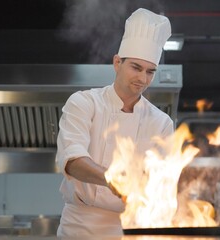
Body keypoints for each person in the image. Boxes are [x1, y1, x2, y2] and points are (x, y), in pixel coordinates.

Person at [55, 8, 173, 237]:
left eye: (150, 71)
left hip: (130, 228)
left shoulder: (161, 123)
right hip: (80, 227)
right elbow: (72, 161)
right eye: (136, 68)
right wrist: (112, 178)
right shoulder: (84, 103)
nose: (142, 78)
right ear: (117, 63)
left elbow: (161, 183)